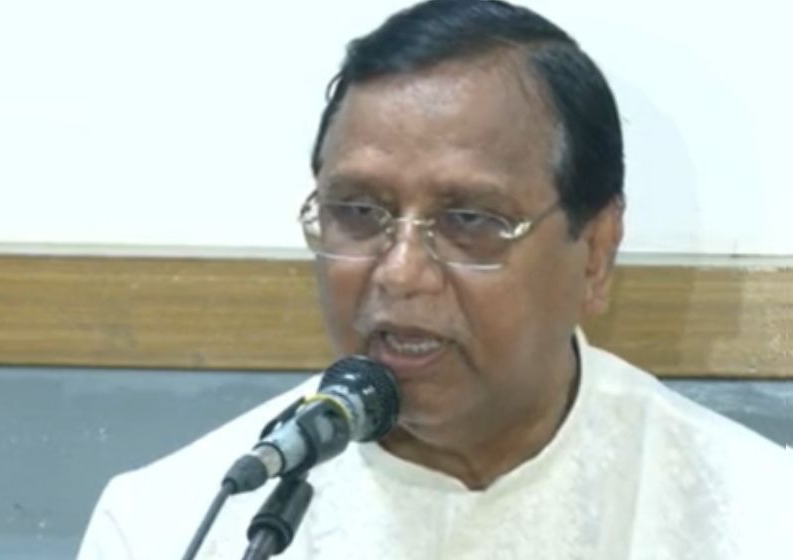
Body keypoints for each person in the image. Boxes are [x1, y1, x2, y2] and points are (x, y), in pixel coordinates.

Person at [78, 1, 793, 557]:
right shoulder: (174, 526)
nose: (400, 273)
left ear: (596, 252)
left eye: (469, 220)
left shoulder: (761, 519)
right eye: (358, 212)